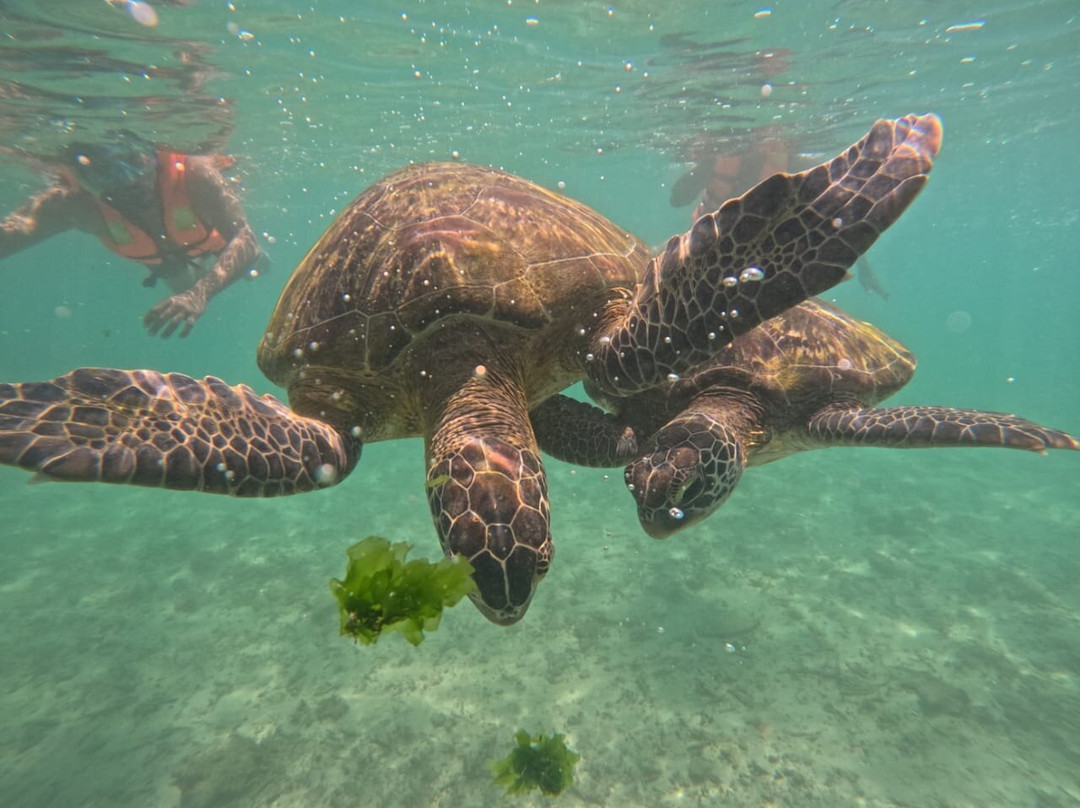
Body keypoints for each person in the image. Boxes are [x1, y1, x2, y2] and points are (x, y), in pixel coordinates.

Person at [0, 130, 268, 337]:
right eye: (103, 173)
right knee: (182, 284)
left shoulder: (196, 175)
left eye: (133, 162)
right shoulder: (75, 205)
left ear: (150, 155)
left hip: (212, 241)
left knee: (253, 264)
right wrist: (191, 292)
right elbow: (10, 236)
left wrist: (199, 295)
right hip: (166, 263)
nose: (127, 180)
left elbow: (246, 239)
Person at [671, 126, 890, 300]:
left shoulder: (796, 165)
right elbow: (677, 198)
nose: (766, 143)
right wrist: (705, 166)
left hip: (770, 254)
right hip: (716, 250)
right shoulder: (727, 158)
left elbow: (837, 214)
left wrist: (863, 265)